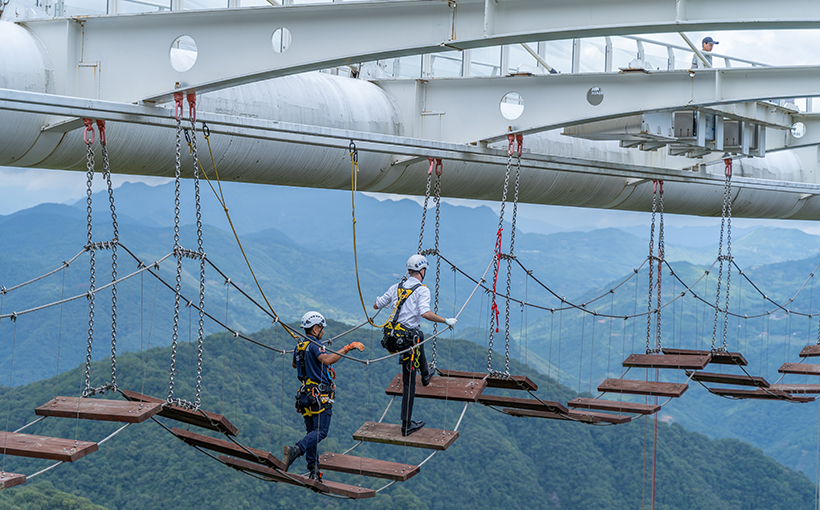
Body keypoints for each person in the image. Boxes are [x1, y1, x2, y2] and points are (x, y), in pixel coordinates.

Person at [373, 254, 457, 436]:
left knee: (419, 335)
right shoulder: (422, 290)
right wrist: (445, 321)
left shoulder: (396, 287)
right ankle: (406, 425)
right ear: (422, 270)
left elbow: (375, 305)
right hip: (406, 342)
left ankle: (426, 374)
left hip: (390, 339)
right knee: (409, 382)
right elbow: (425, 313)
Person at [283, 311, 364, 480]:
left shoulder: (300, 346)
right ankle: (296, 450)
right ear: (315, 328)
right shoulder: (314, 345)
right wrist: (347, 348)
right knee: (321, 432)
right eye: (321, 328)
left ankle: (313, 470)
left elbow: (293, 364)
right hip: (319, 396)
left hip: (305, 396)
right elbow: (327, 360)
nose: (323, 332)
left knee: (312, 432)